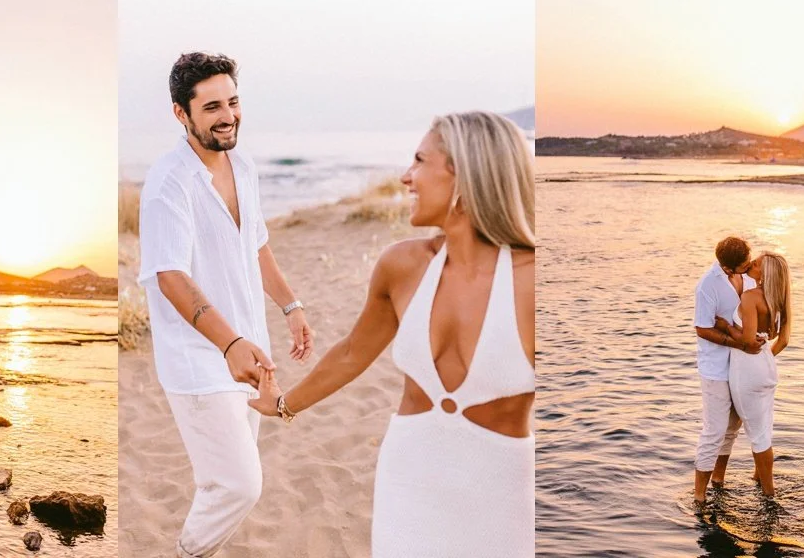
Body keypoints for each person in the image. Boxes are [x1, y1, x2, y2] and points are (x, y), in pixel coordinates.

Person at [251, 111, 536, 557]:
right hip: (408, 481)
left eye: (419, 160)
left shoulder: (533, 282)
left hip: (502, 496)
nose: (406, 177)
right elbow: (351, 353)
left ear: (463, 173)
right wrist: (284, 405)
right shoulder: (401, 266)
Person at [138, 51, 315, 558]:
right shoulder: (169, 182)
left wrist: (290, 306)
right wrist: (230, 343)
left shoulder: (244, 165)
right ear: (181, 113)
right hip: (201, 361)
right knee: (239, 487)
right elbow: (170, 276)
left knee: (222, 487)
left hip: (248, 355)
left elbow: (255, 243)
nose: (228, 115)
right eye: (212, 106)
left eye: (233, 102)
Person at [691, 237, 765, 505]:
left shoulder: (748, 277)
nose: (749, 265)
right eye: (744, 264)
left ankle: (719, 480)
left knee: (733, 427)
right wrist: (738, 342)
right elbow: (701, 328)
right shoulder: (707, 286)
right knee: (715, 429)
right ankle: (699, 495)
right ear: (728, 268)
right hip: (715, 368)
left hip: (741, 365)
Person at [715, 252, 791, 497]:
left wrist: (726, 326)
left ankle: (769, 495)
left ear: (764, 273)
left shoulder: (750, 297)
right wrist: (764, 357)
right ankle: (757, 479)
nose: (751, 264)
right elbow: (784, 340)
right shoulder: (780, 299)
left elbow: (748, 340)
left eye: (756, 264)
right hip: (766, 366)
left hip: (747, 369)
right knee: (763, 427)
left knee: (758, 435)